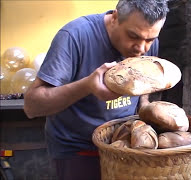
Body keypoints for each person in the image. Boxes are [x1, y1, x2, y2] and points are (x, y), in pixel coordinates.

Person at [23, 0, 169, 179]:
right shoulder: (74, 36)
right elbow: (32, 106)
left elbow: (144, 80)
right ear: (115, 17)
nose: (141, 48)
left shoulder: (147, 41)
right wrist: (87, 86)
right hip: (77, 151)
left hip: (123, 146)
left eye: (150, 39)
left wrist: (145, 106)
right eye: (133, 36)